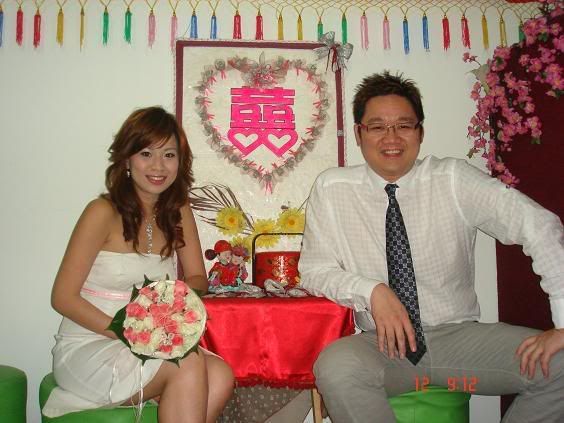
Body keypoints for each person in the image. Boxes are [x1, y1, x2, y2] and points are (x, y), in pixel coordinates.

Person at [298, 71, 564, 422]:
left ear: (420, 132)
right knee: (335, 366)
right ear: (359, 134)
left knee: (562, 364)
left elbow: (539, 226)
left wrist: (563, 325)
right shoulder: (332, 189)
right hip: (383, 346)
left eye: (404, 125)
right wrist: (372, 291)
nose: (391, 138)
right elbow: (314, 270)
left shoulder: (452, 178)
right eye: (377, 127)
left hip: (460, 339)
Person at [44, 106, 234, 423]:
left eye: (169, 155)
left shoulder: (178, 211)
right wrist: (133, 331)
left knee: (221, 374)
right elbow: (62, 298)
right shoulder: (101, 212)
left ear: (180, 162)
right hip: (91, 344)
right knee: (185, 363)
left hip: (152, 341)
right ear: (127, 159)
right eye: (146, 153)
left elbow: (198, 277)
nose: (158, 166)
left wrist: (173, 307)